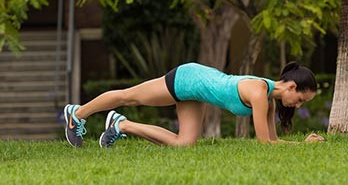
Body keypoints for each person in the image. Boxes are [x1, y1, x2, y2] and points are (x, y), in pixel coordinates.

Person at [63, 61, 325, 148]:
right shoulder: (259, 92)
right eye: (300, 99)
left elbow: (273, 142)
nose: (296, 105)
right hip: (188, 79)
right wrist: (303, 145)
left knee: (183, 144)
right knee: (128, 96)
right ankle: (77, 114)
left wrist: (302, 145)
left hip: (197, 92)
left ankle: (121, 124)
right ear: (291, 86)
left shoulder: (267, 99)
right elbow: (264, 144)